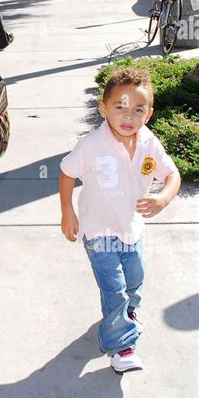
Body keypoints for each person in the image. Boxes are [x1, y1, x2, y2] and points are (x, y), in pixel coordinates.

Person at [59, 68, 180, 373]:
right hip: (99, 233)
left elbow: (172, 175)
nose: (128, 116)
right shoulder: (90, 146)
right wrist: (67, 212)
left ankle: (129, 311)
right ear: (103, 108)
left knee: (134, 280)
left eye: (138, 109)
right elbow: (67, 174)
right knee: (114, 289)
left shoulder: (149, 143)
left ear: (148, 113)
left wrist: (163, 198)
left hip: (133, 229)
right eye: (120, 107)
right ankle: (121, 344)